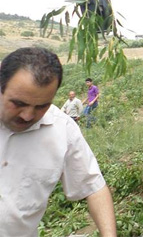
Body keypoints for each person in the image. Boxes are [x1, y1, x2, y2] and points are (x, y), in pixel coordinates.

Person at [0, 47, 116, 236]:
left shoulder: (61, 129)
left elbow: (93, 186)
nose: (28, 115)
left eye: (41, 106)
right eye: (18, 103)